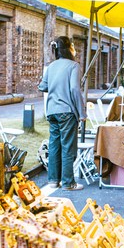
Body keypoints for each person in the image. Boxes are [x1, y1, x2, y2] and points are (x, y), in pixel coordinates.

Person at [39, 35, 85, 191]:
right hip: (66, 110)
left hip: (51, 110)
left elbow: (42, 86)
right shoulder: (74, 66)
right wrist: (82, 113)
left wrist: (55, 84)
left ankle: (53, 180)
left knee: (54, 145)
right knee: (67, 147)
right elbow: (74, 89)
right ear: (69, 48)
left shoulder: (51, 66)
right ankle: (68, 182)